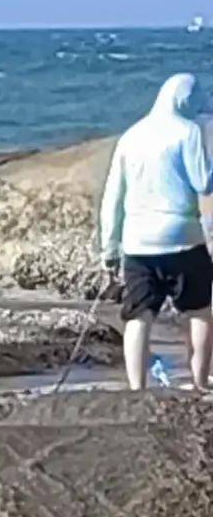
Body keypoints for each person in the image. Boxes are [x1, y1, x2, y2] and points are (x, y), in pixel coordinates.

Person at [102, 73, 213, 396]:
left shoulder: (130, 136)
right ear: (183, 100)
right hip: (183, 237)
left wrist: (108, 248)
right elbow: (203, 183)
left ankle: (137, 389)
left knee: (138, 317)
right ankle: (199, 383)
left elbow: (113, 198)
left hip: (137, 242)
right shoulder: (188, 131)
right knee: (199, 312)